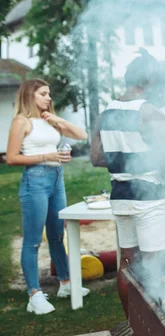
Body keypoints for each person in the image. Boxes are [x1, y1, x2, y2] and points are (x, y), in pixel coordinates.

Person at [90, 51, 165, 317]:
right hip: (150, 198)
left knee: (126, 262)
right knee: (153, 265)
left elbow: (96, 158)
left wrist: (125, 158)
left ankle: (134, 325)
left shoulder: (106, 113)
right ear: (147, 80)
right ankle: (153, 327)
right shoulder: (150, 112)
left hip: (121, 197)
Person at [6, 79, 89, 315]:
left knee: (56, 234)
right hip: (35, 180)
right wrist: (47, 156)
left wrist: (58, 120)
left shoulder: (47, 119)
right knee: (32, 240)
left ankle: (65, 283)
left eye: (49, 94)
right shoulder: (21, 122)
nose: (48, 98)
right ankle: (34, 294)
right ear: (30, 96)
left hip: (56, 178)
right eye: (43, 94)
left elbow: (81, 135)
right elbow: (11, 158)